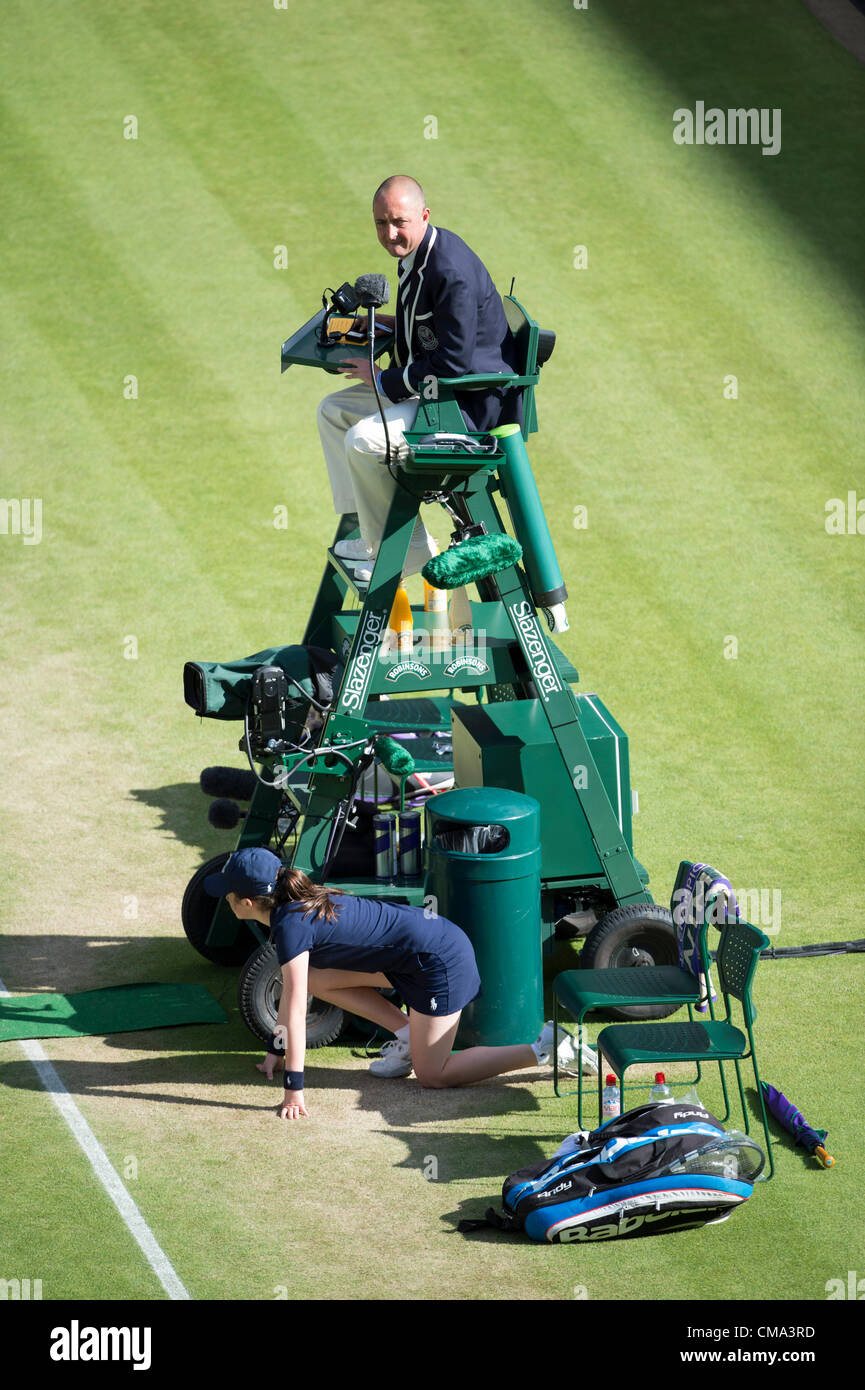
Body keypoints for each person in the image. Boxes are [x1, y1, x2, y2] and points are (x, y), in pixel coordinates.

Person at [204, 847, 596, 1121]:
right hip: (416, 955)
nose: (226, 901)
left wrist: (295, 1088)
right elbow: (299, 991)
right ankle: (409, 1035)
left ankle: (547, 1048)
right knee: (318, 979)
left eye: (229, 895)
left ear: (248, 903)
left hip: (439, 962)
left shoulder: (290, 927)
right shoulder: (297, 901)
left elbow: (291, 1005)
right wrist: (276, 1048)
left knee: (434, 1076)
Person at [316, 174, 520, 583]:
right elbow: (431, 328)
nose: (389, 233)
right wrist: (381, 327)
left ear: (424, 216)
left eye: (398, 222)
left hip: (464, 407)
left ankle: (407, 552)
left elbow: (452, 366)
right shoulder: (418, 252)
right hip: (430, 393)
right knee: (333, 411)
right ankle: (366, 531)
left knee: (362, 439)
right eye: (380, 223)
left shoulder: (451, 271)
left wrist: (380, 379)